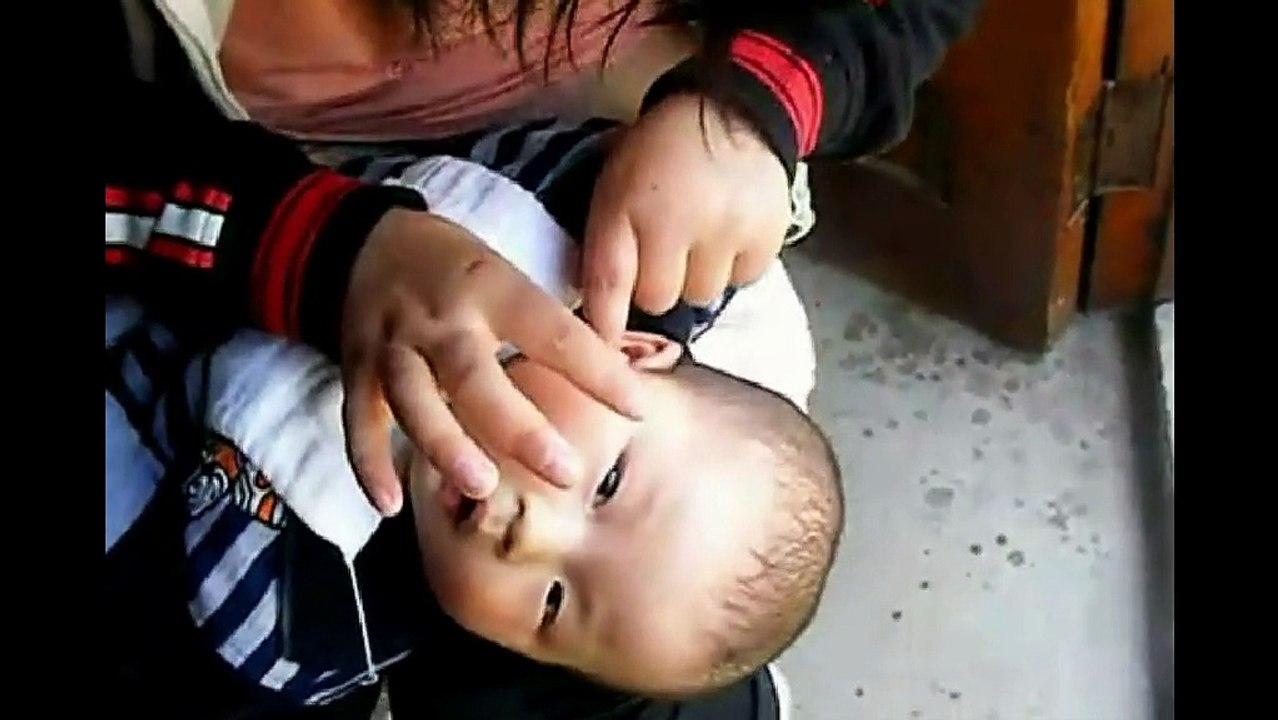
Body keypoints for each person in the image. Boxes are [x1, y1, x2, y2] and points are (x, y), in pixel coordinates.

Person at [106, 142, 842, 717]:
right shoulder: (550, 223)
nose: (533, 536)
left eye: (553, 605)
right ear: (632, 352)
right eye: (608, 484)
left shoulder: (311, 626)